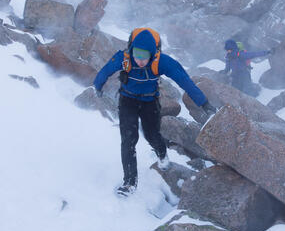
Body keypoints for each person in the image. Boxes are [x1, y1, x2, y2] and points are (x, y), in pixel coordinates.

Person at [93, 28, 216, 196]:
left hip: (149, 102)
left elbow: (185, 81)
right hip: (127, 100)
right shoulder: (125, 58)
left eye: (144, 58)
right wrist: (97, 86)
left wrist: (204, 103)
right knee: (128, 140)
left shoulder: (162, 62)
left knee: (152, 135)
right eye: (137, 55)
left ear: (152, 55)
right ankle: (130, 183)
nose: (140, 61)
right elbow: (106, 70)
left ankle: (162, 153)